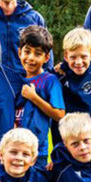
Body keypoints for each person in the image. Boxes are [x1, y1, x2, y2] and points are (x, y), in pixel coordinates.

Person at [14, 25, 65, 163]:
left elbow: (60, 115)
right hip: (14, 148)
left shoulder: (50, 81)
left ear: (46, 57)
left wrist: (34, 97)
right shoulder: (15, 79)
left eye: (37, 53)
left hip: (38, 151)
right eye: (27, 51)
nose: (31, 58)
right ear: (19, 53)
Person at [55, 28, 91, 141]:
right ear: (65, 56)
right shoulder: (59, 75)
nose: (78, 62)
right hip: (68, 140)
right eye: (73, 57)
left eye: (83, 57)